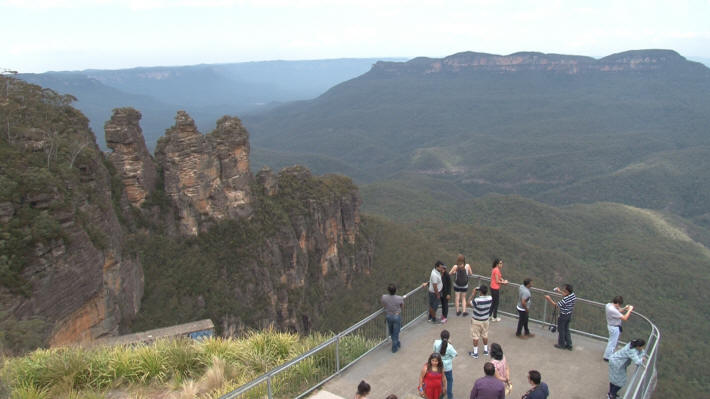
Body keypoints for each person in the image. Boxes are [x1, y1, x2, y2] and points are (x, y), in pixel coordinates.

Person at [544, 284, 576, 350]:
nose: (563, 290)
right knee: (566, 330)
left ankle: (561, 344)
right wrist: (559, 291)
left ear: (567, 291)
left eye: (564, 290)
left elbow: (556, 305)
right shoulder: (573, 295)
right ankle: (569, 345)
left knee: (561, 330)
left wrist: (549, 299)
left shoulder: (566, 299)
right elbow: (565, 294)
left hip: (563, 316)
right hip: (569, 315)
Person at [604, 296, 634, 361]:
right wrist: (629, 310)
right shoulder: (613, 310)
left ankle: (608, 355)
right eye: (619, 305)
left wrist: (625, 308)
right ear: (617, 303)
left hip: (611, 326)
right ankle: (607, 357)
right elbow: (625, 318)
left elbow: (618, 310)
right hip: (614, 328)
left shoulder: (608, 305)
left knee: (611, 341)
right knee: (612, 343)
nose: (619, 306)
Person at [468, 285, 492, 359]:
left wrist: (473, 294)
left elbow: (468, 303)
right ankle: (485, 350)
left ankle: (475, 353)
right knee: (485, 334)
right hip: (485, 320)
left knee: (475, 336)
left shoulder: (477, 300)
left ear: (480, 291)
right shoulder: (490, 298)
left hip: (476, 320)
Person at [434, 329, 458, 399]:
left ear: (440, 336)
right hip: (447, 367)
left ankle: (440, 395)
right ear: (448, 338)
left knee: (440, 380)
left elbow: (434, 352)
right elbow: (456, 354)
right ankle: (450, 396)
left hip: (439, 365)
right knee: (449, 380)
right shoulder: (450, 347)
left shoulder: (436, 342)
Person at [381, 283, 404, 353]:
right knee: (396, 332)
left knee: (391, 332)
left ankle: (397, 342)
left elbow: (383, 303)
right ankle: (394, 347)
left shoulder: (384, 297)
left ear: (388, 290)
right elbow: (402, 306)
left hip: (389, 316)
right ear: (395, 290)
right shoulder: (399, 298)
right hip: (396, 316)